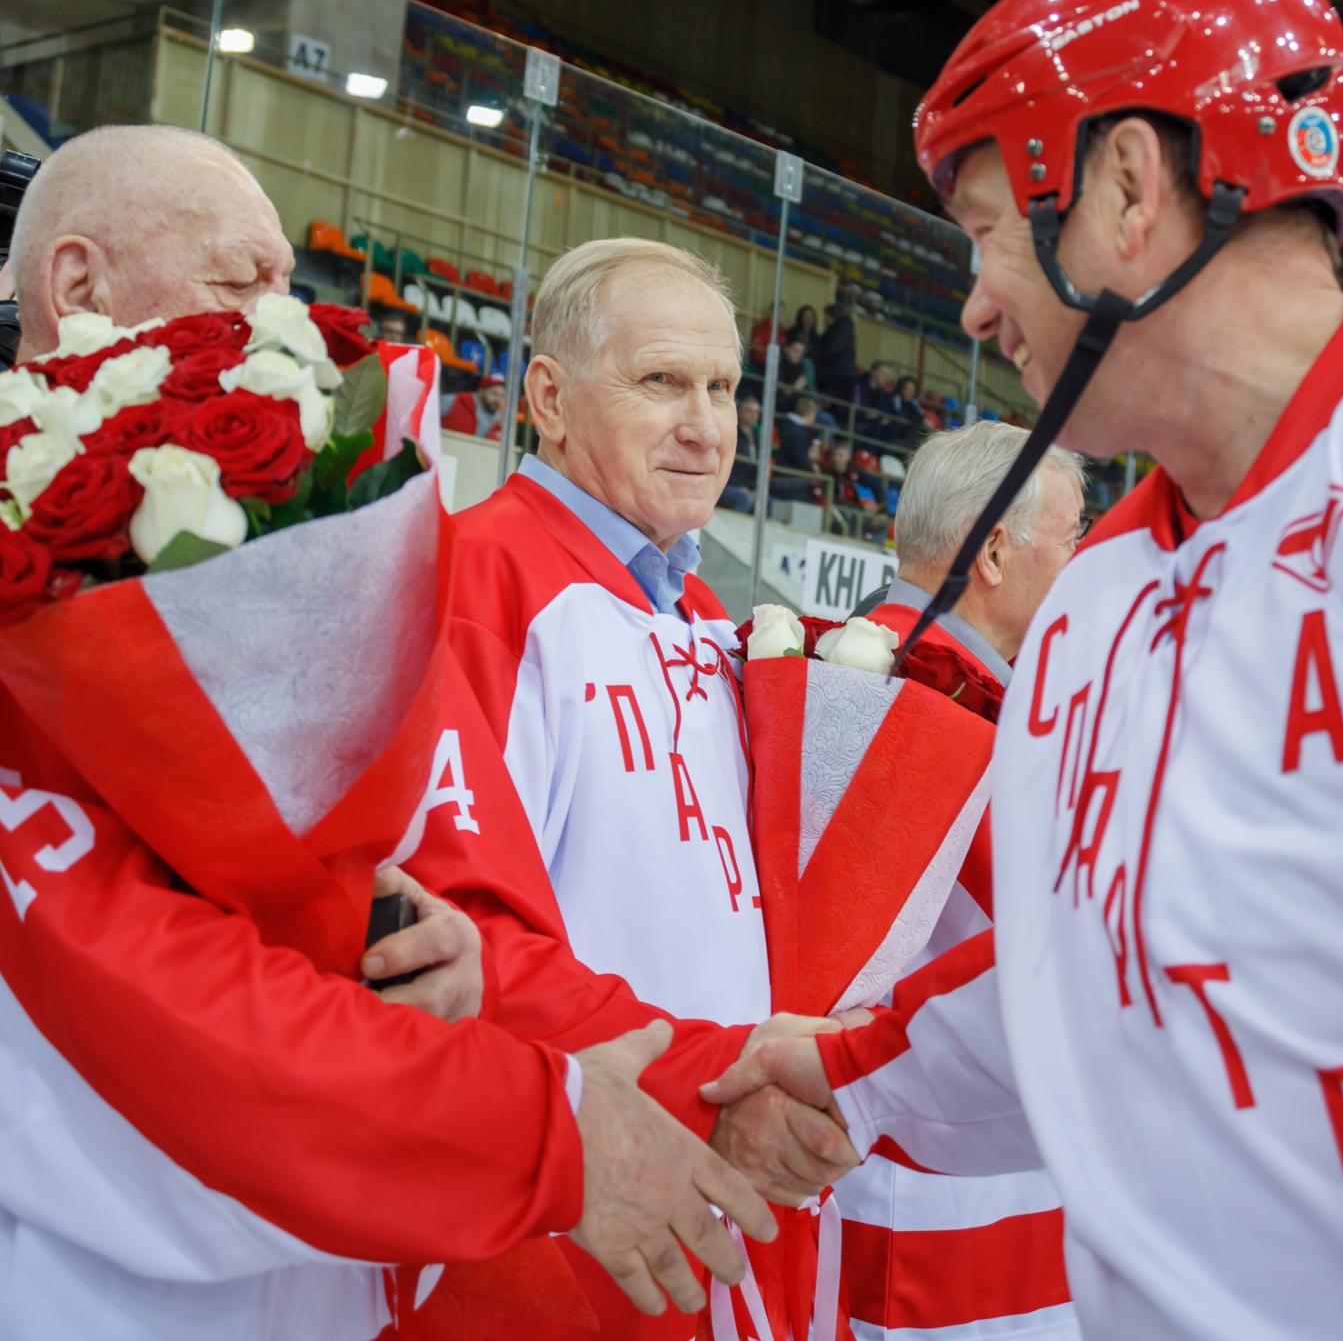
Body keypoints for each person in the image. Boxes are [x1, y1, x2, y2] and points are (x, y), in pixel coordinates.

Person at [703, 0, 1343, 1340]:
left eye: (984, 230)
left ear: (1122, 185)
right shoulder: (1092, 602)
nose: (976, 303)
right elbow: (1085, 967)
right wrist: (844, 1070)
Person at [1, 127, 777, 1339]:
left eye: (281, 285)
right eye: (239, 282)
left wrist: (419, 949)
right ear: (79, 289)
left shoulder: (286, 560)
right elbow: (126, 962)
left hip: (323, 1255)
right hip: (99, 1266)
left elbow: (389, 891)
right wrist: (547, 1122)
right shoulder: (471, 576)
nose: (285, 323)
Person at [408, 238, 857, 1340]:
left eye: (723, 388)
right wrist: (709, 1074)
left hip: (710, 1201)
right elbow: (451, 933)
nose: (705, 424)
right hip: (566, 1218)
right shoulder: (478, 578)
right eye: (661, 382)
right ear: (549, 398)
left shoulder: (706, 614)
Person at [832, 422, 1084, 1338]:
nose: (1084, 557)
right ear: (995, 550)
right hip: (934, 1179)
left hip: (898, 1144)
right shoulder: (930, 694)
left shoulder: (845, 660)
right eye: (1073, 532)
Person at [717, 393, 761, 513]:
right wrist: (742, 488)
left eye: (756, 412)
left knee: (767, 502)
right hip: (727, 484)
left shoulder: (758, 438)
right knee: (743, 498)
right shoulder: (731, 432)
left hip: (747, 487)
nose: (753, 415)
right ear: (739, 411)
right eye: (749, 411)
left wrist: (756, 489)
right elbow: (725, 464)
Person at [814, 300, 857, 405]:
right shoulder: (844, 328)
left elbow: (831, 348)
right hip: (842, 372)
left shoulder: (841, 328)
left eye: (826, 316)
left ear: (831, 316)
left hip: (837, 373)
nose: (824, 319)